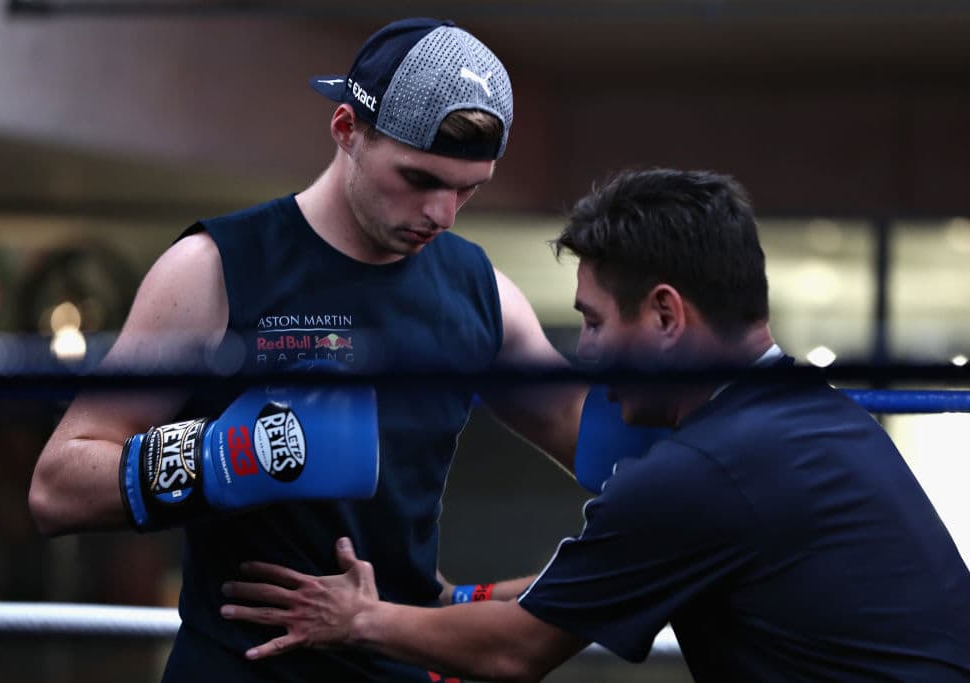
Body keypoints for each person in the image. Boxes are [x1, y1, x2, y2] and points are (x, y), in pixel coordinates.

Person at [219, 168, 970, 682]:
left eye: (596, 321)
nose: (589, 352)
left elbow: (518, 652)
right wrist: (451, 600)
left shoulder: (706, 469)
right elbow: (601, 575)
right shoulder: (803, 412)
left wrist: (355, 619)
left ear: (666, 315)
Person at [28, 17, 588, 683]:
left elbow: (610, 450)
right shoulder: (215, 269)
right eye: (418, 178)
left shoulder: (479, 291)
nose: (442, 213)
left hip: (399, 666)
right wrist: (227, 455)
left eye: (468, 188)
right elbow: (57, 487)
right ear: (347, 129)